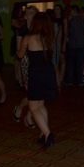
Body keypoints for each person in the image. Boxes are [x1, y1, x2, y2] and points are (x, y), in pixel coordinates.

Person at [17, 12, 58, 149]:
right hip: (49, 72)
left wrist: (19, 45)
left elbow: (20, 55)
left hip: (36, 74)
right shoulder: (49, 38)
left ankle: (48, 134)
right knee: (41, 104)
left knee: (33, 107)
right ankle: (43, 134)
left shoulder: (28, 38)